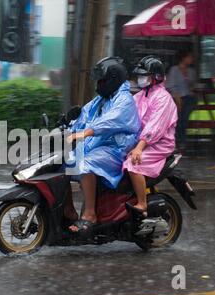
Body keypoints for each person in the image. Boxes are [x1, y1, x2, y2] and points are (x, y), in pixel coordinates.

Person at [65, 57, 141, 233]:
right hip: (100, 145)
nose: (98, 84)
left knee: (84, 164)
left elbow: (110, 120)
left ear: (112, 79)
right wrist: (68, 125)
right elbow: (84, 115)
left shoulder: (124, 100)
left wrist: (85, 133)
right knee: (64, 163)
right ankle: (68, 211)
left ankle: (90, 214)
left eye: (101, 80)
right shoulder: (102, 98)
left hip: (117, 150)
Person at [124, 56, 178, 216]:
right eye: (140, 75)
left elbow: (155, 127)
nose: (141, 79)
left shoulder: (163, 98)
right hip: (140, 142)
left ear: (156, 77)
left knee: (133, 164)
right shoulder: (140, 95)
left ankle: (142, 203)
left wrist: (139, 148)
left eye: (144, 75)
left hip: (159, 144)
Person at [166, 49, 197, 150]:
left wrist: (190, 83)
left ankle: (181, 141)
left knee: (184, 118)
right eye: (189, 57)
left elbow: (193, 86)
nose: (191, 59)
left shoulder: (191, 71)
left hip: (189, 98)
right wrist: (177, 98)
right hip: (176, 98)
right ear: (183, 58)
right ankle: (178, 141)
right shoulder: (174, 70)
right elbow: (170, 86)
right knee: (179, 119)